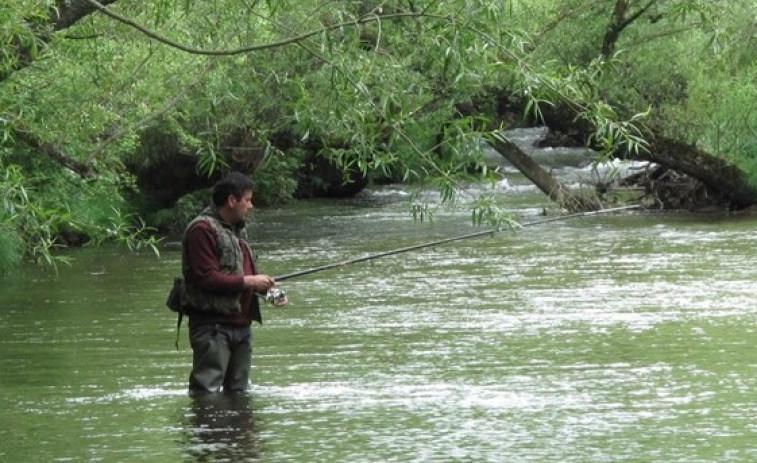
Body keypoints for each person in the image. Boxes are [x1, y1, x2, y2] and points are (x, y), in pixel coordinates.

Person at [180, 171, 287, 396]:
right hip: (213, 328)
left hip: (241, 326)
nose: (251, 205)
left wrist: (269, 292)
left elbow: (240, 277)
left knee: (240, 394)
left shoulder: (237, 231)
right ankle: (207, 431)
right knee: (206, 394)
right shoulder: (202, 230)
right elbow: (206, 278)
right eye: (247, 200)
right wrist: (250, 281)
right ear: (231, 200)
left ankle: (239, 432)